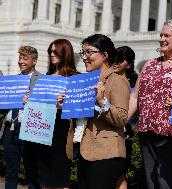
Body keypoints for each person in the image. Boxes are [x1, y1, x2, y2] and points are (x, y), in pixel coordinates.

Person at [128, 20, 172, 189]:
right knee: (151, 181)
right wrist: (121, 123)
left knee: (167, 182)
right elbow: (134, 98)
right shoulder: (150, 64)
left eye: (167, 35)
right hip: (146, 132)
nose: (162, 39)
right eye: (161, 35)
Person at [65, 34, 130, 189]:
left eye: (89, 52)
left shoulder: (117, 79)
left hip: (107, 153)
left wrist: (102, 102)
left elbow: (122, 118)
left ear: (105, 55)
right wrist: (64, 105)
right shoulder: (84, 80)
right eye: (83, 53)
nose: (85, 57)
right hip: (85, 150)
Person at [35, 39, 79, 189]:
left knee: (61, 179)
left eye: (55, 52)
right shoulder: (46, 76)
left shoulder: (75, 78)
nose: (52, 55)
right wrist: (30, 99)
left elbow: (81, 108)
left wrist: (66, 104)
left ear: (65, 53)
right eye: (50, 52)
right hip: (43, 131)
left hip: (63, 131)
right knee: (45, 180)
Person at [0, 46, 42, 189]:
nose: (21, 61)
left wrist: (32, 100)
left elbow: (46, 107)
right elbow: (4, 108)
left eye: (25, 58)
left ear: (34, 61)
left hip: (28, 131)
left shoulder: (42, 80)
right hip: (9, 130)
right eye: (20, 58)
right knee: (10, 172)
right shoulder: (12, 80)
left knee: (32, 173)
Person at [112, 46, 138, 189]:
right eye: (114, 59)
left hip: (125, 132)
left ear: (129, 64)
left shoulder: (135, 84)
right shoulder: (109, 79)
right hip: (109, 129)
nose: (115, 63)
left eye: (120, 60)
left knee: (120, 173)